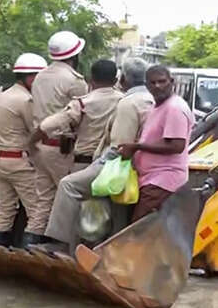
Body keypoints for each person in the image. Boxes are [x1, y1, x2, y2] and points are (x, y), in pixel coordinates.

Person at [42, 58, 153, 252]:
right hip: (144, 165)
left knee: (68, 186)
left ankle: (59, 243)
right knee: (116, 209)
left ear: (124, 78)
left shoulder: (125, 103)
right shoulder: (151, 101)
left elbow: (119, 145)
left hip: (115, 163)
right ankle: (111, 250)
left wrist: (97, 165)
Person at [117, 65, 194, 223]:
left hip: (163, 181)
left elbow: (176, 146)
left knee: (139, 230)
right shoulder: (158, 106)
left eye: (162, 81)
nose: (158, 86)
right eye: (153, 83)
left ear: (172, 82)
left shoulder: (174, 108)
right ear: (146, 86)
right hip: (151, 179)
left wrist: (137, 147)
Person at [30, 31, 88, 233]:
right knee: (70, 200)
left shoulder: (39, 76)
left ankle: (31, 240)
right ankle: (65, 248)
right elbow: (82, 114)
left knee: (43, 200)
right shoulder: (74, 81)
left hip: (40, 147)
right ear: (75, 55)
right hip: (62, 150)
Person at [0, 53, 47, 247]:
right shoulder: (26, 100)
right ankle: (31, 252)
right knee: (37, 209)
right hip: (19, 162)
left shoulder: (2, 96)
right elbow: (37, 130)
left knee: (5, 209)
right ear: (31, 78)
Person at [32, 59, 123, 173]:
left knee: (67, 187)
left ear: (90, 80)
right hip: (111, 166)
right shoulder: (124, 101)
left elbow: (47, 125)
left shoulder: (81, 103)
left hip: (83, 163)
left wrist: (31, 143)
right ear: (115, 81)